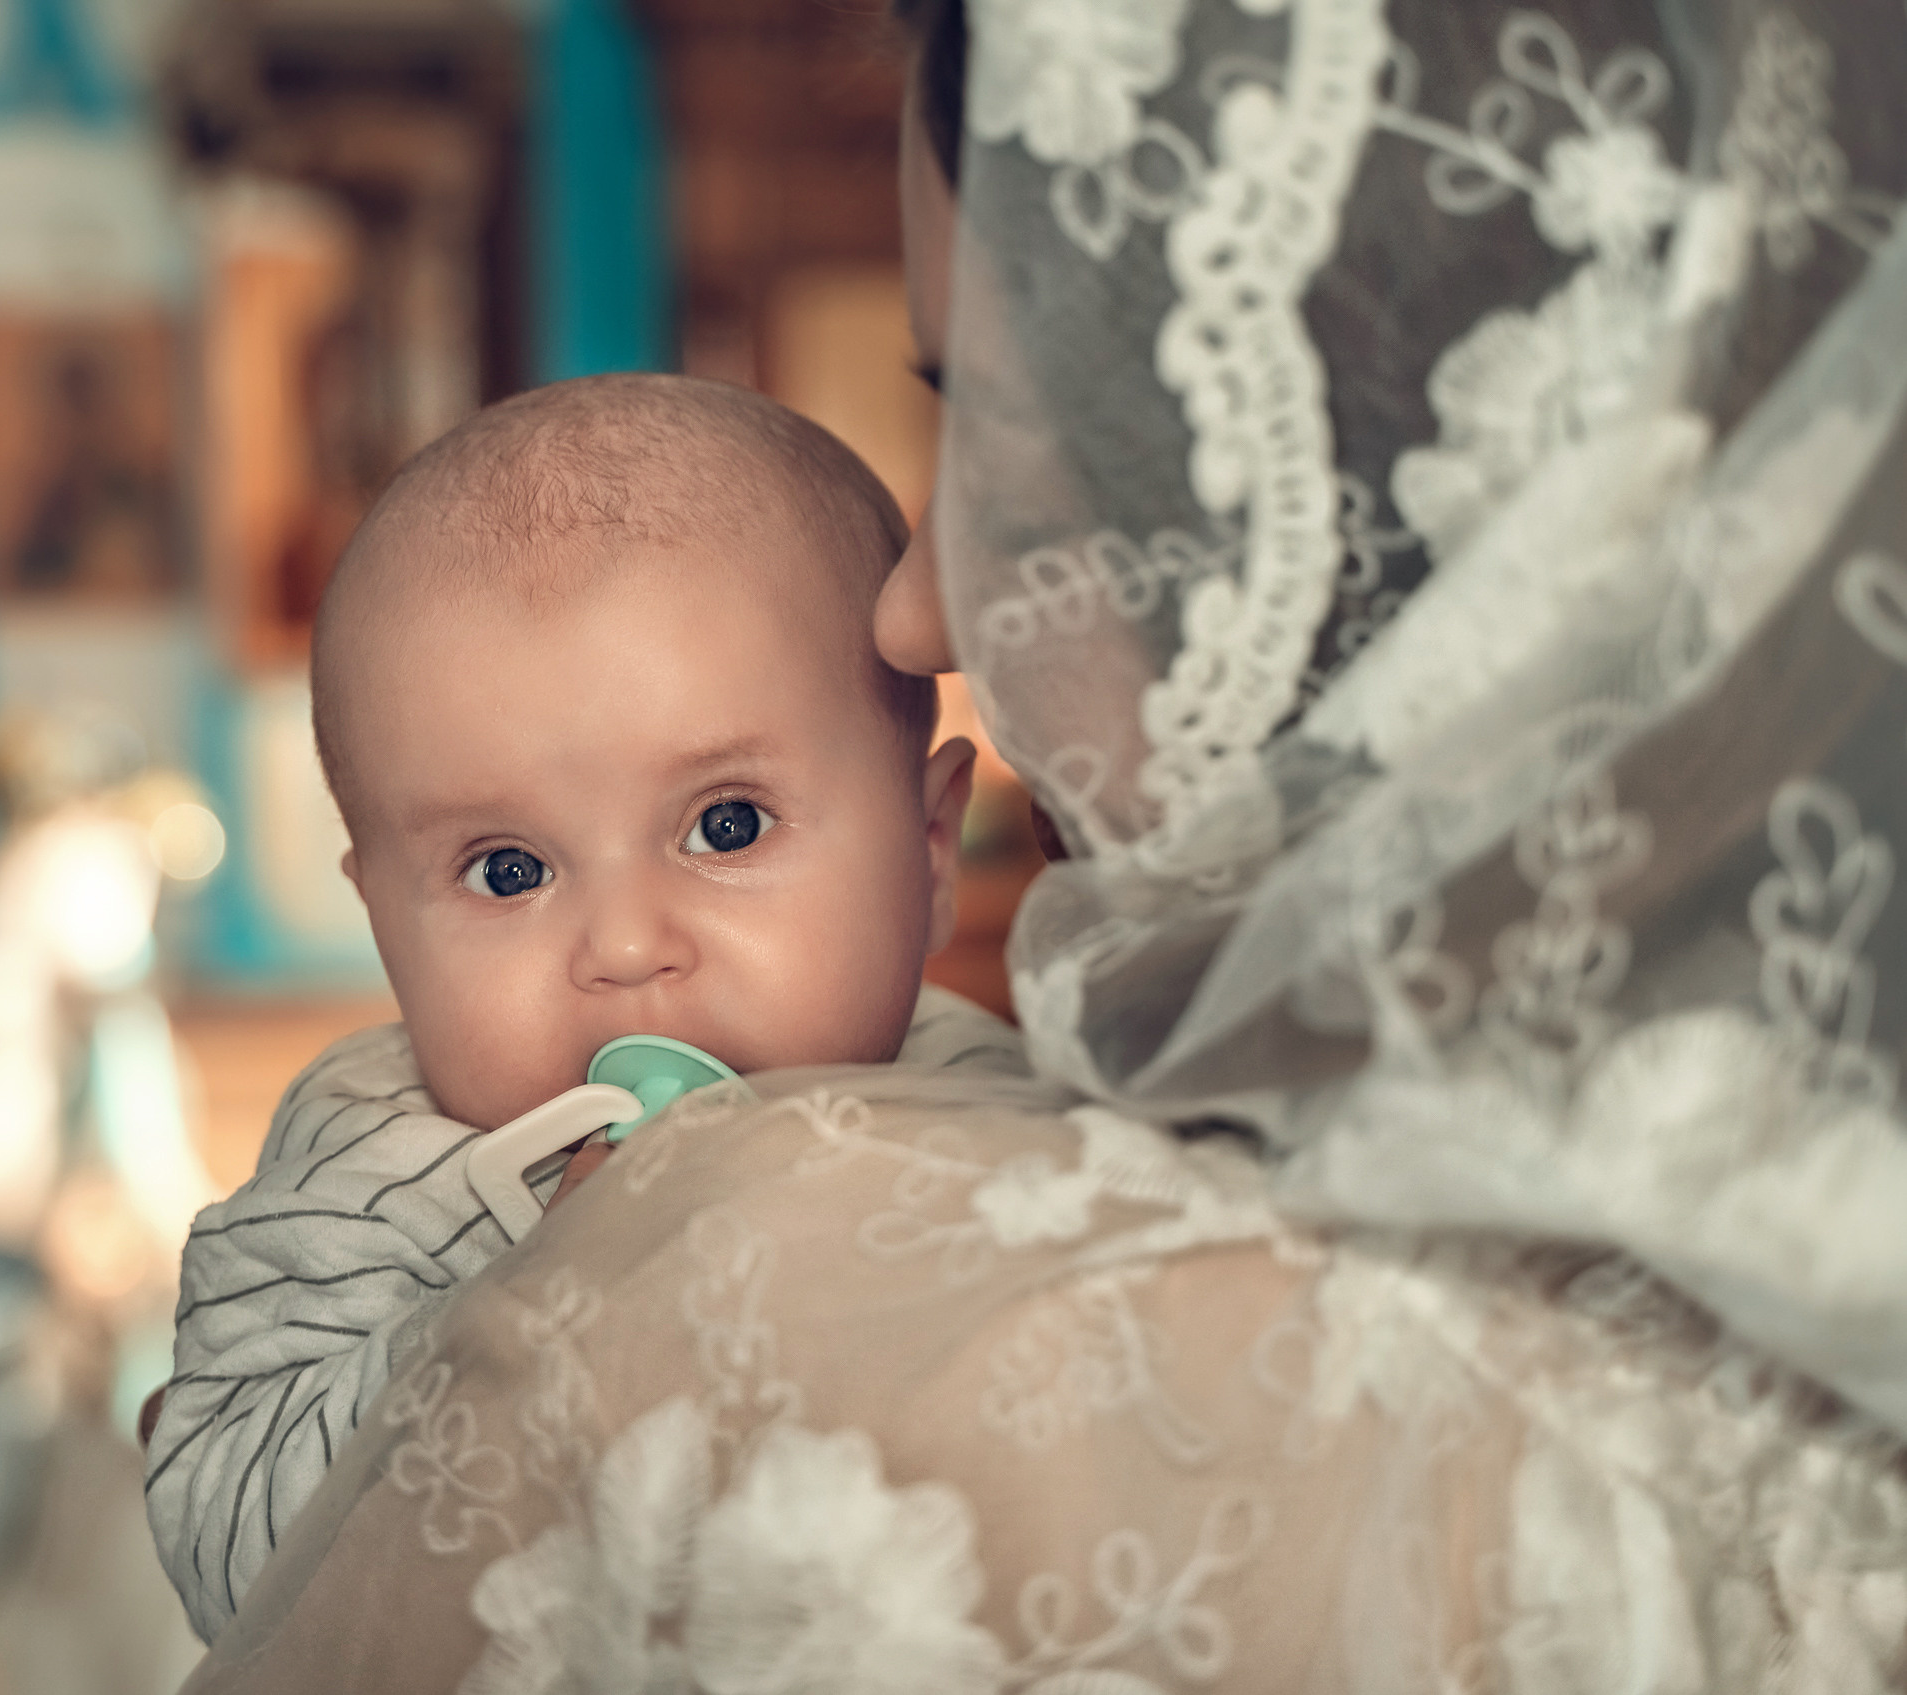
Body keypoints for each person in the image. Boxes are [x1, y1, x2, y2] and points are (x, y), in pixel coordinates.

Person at [182, 2, 1907, 1688]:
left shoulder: (710, 1320)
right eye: (503, 868)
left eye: (999, 438)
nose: (922, 607)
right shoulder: (1796, 1190)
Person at [145, 373, 1024, 1641]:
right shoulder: (372, 1168)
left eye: (726, 827)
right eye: (508, 870)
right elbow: (232, 1559)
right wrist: (527, 1309)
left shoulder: (986, 1108)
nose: (621, 946)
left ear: (930, 852)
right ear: (384, 923)